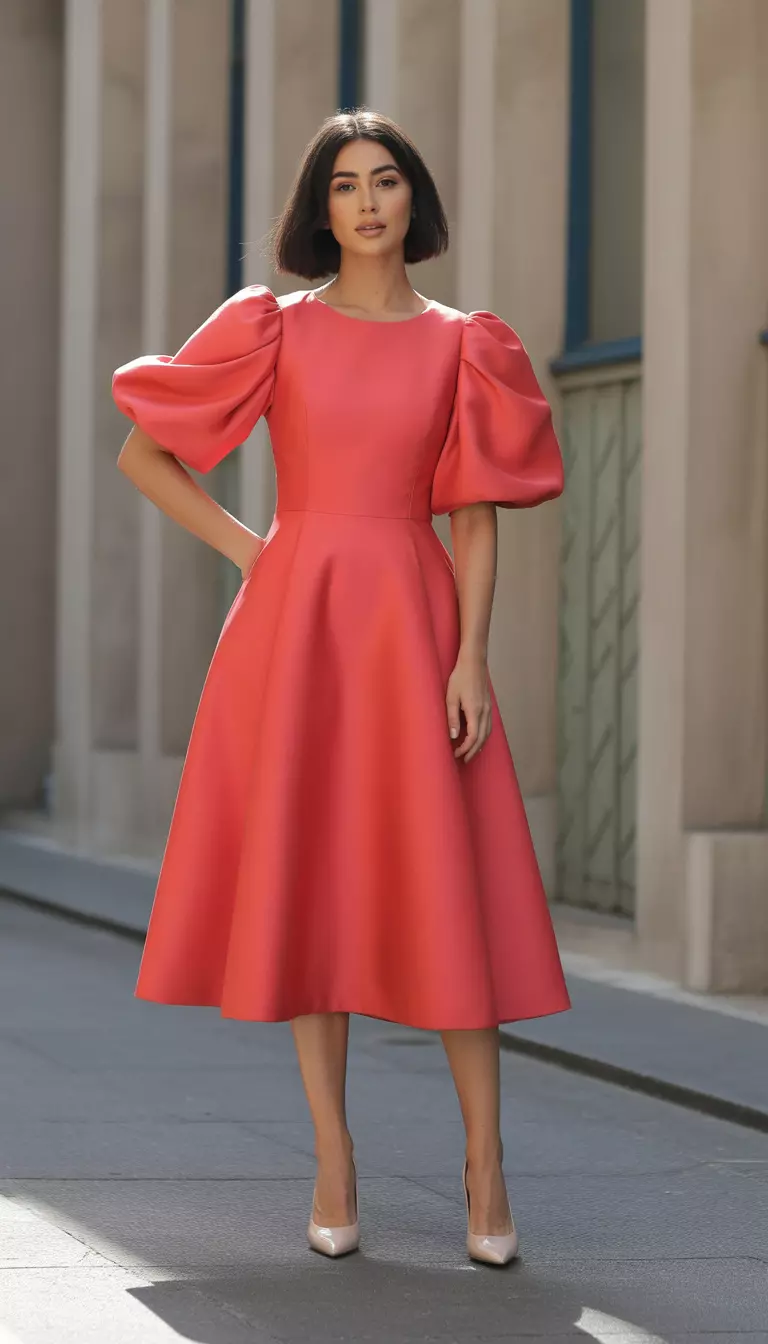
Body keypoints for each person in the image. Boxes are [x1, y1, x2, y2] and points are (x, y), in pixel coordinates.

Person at [112, 108, 571, 1267]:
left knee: (449, 892)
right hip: (296, 627)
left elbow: (474, 517)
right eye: (345, 185)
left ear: (415, 201)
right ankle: (334, 1157)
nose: (367, 201)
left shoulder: (468, 343)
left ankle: (485, 1167)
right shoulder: (273, 330)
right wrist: (257, 554)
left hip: (415, 622)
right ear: (321, 211)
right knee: (311, 891)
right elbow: (144, 454)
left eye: (387, 181)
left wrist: (470, 657)